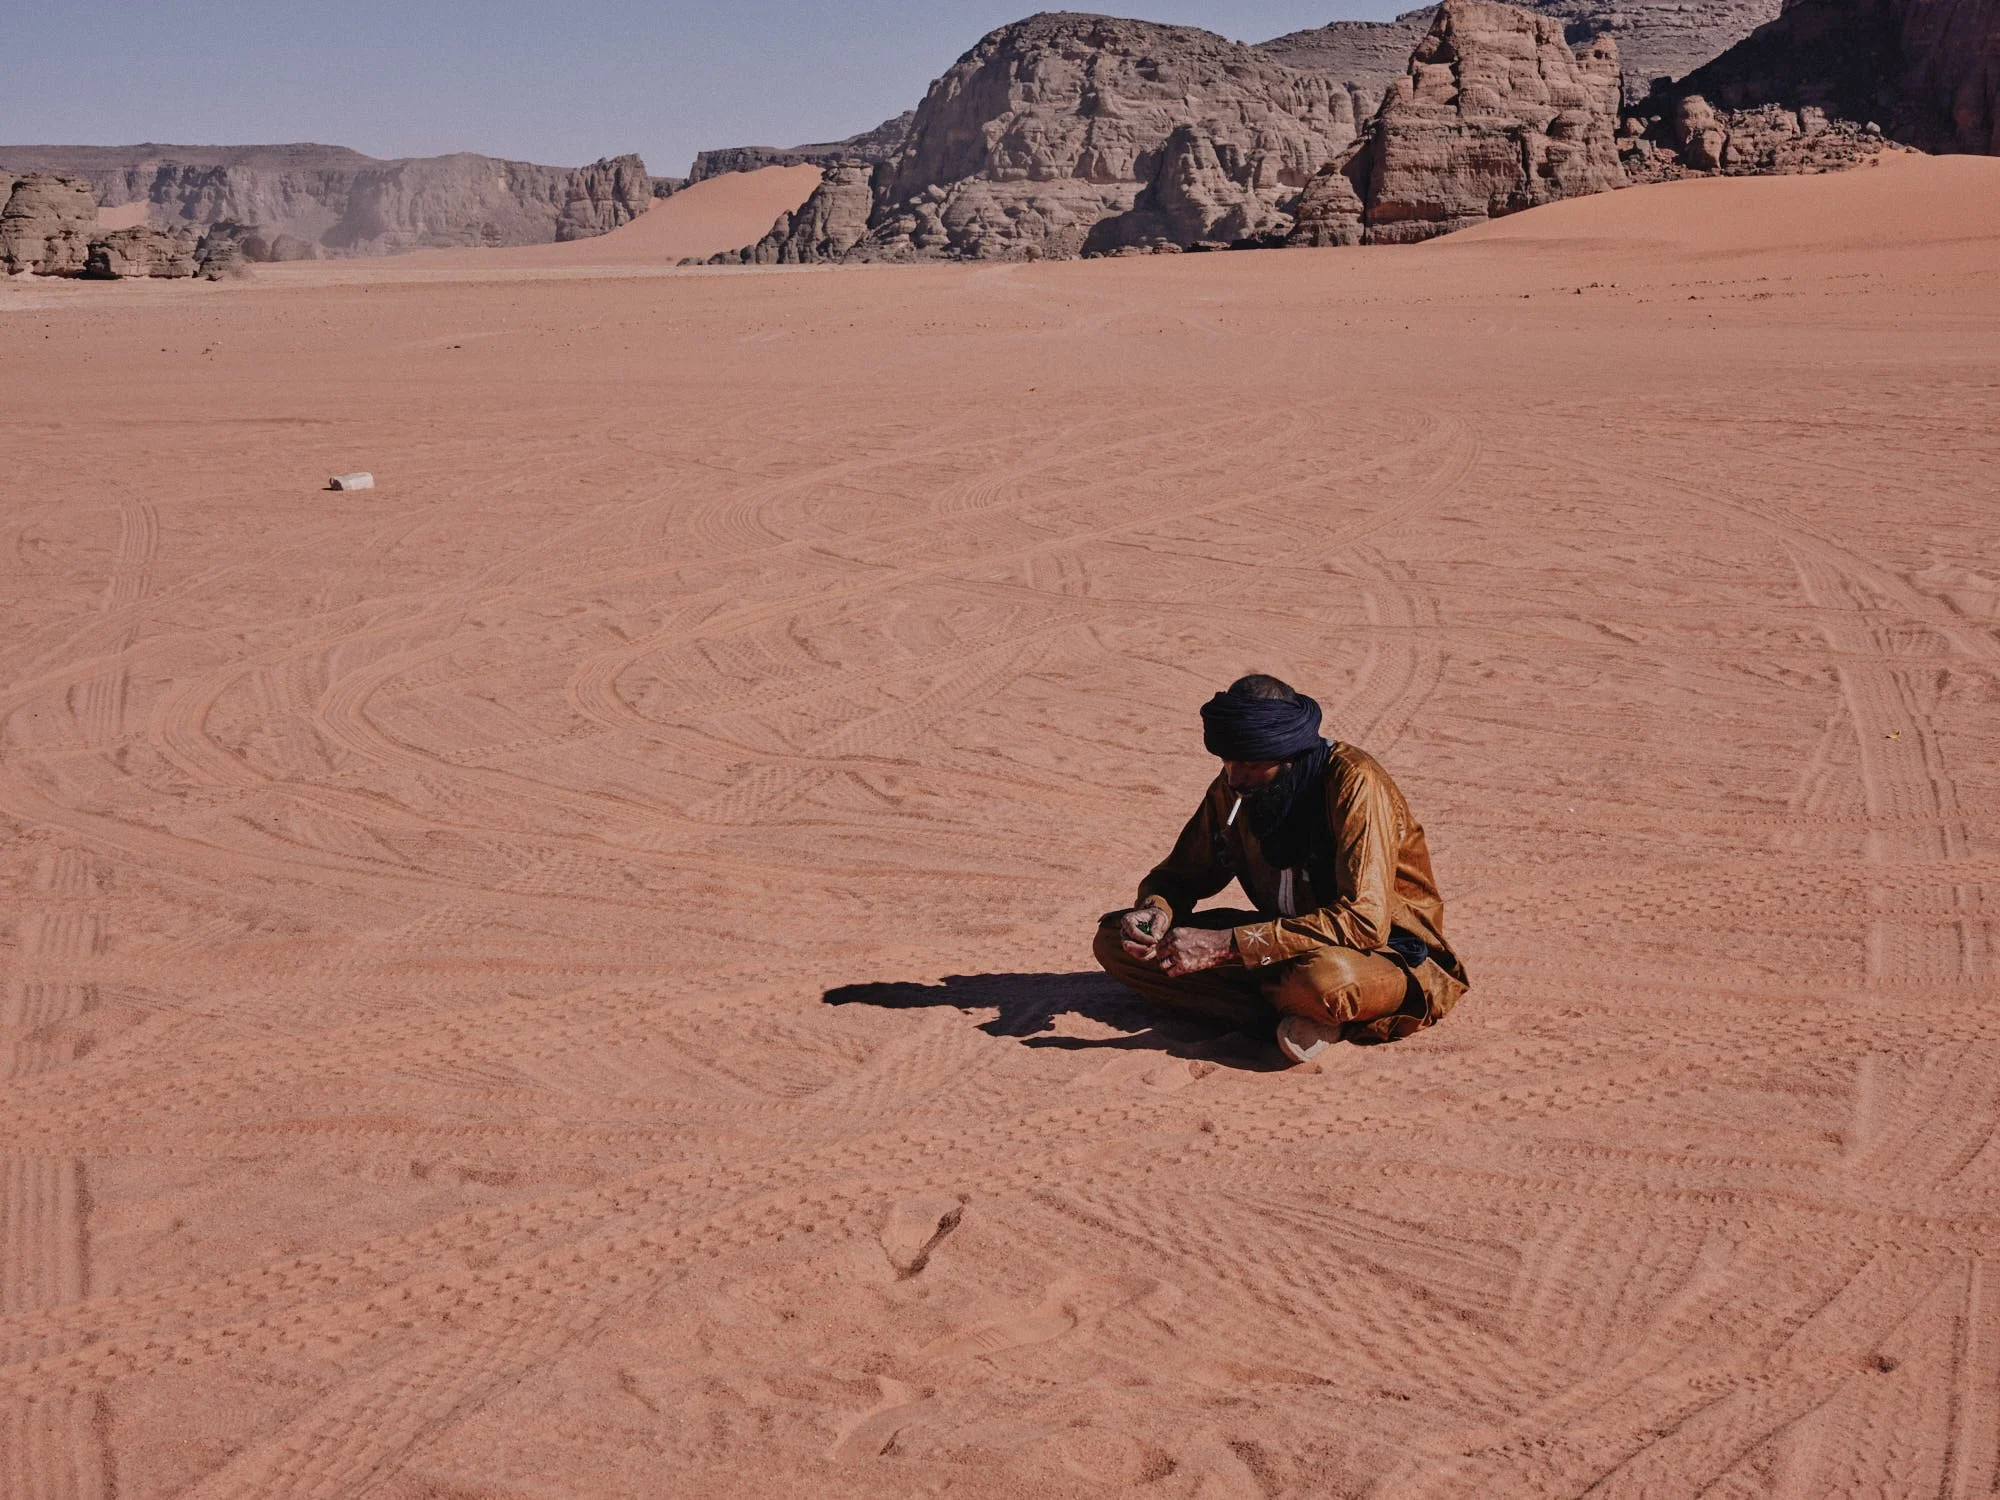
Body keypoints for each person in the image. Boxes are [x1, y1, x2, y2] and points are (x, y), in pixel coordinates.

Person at [1094, 674, 1469, 1064]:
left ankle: (1301, 1007)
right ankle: (1296, 1013)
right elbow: (1179, 876)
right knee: (1113, 942)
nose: (1235, 777)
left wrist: (1228, 946)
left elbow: (1365, 921)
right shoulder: (1236, 789)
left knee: (1325, 981)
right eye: (1227, 762)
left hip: (1381, 954)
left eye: (1252, 764)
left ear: (1288, 753)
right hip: (1281, 947)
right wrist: (1156, 910)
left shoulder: (1355, 783)